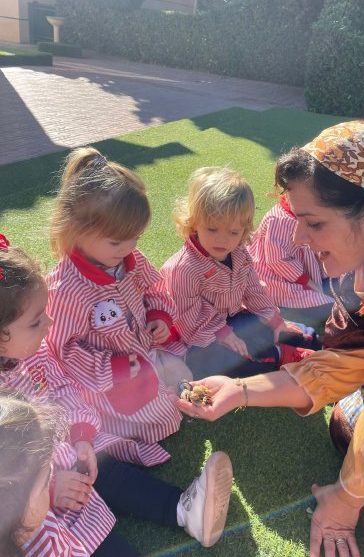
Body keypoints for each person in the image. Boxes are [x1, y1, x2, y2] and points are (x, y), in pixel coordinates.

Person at [172, 121, 364, 557]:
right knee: (347, 427)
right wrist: (240, 390)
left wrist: (344, 504)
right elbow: (346, 360)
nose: (298, 238)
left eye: (313, 223)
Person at [0, 237, 234, 553]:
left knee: (101, 462)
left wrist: (82, 435)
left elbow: (63, 390)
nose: (50, 322)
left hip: (67, 464)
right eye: (35, 321)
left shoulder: (34, 354)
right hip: (28, 510)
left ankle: (182, 509)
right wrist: (49, 487)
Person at [46, 147, 190, 467]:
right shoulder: (67, 288)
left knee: (183, 379)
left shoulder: (130, 259)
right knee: (159, 419)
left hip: (145, 354)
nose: (128, 248)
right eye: (115, 241)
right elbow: (63, 350)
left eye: (135, 237)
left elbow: (154, 288)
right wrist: (111, 368)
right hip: (108, 382)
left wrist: (159, 315)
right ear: (75, 229)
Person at [160, 166, 319, 380]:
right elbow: (189, 315)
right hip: (199, 338)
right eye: (212, 229)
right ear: (195, 223)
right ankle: (280, 355)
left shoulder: (238, 252)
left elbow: (253, 288)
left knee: (270, 328)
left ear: (244, 230)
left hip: (233, 318)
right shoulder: (183, 268)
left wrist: (272, 318)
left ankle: (310, 339)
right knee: (222, 360)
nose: (222, 239)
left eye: (233, 232)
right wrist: (222, 333)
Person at [248, 194, 333, 332]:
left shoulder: (307, 212)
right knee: (330, 307)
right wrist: (308, 281)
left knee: (341, 288)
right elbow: (277, 261)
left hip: (306, 272)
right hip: (279, 281)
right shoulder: (279, 219)